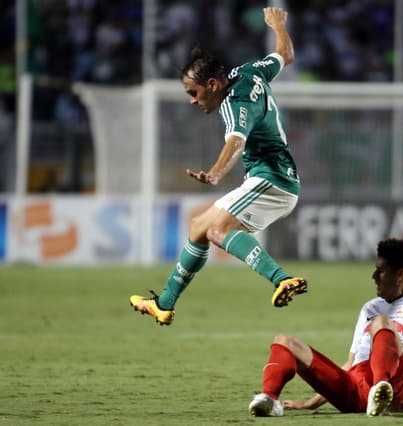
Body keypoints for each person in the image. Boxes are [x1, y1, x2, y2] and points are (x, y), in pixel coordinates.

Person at [130, 7, 306, 326]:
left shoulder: (232, 104)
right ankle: (164, 304)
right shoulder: (250, 70)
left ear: (212, 84)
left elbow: (236, 142)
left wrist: (214, 173)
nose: (192, 101)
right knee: (199, 228)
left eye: (193, 93)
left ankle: (282, 279)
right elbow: (286, 53)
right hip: (273, 179)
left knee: (218, 230)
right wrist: (278, 24)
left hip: (273, 180)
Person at [248, 238, 403, 417]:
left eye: (380, 271)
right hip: (356, 388)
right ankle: (269, 398)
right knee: (285, 342)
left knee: (382, 323)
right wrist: (310, 403)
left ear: (400, 275)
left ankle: (380, 390)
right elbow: (351, 363)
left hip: (396, 388)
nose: (374, 276)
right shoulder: (370, 308)